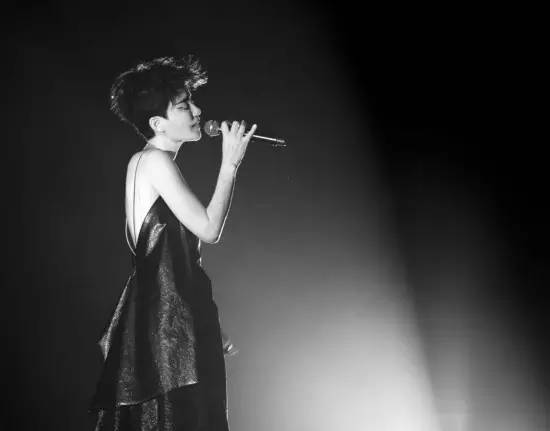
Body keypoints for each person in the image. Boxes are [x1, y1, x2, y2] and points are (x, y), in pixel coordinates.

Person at [89, 56, 255, 431]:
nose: (197, 111)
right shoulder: (155, 162)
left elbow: (161, 261)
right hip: (169, 333)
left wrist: (201, 322)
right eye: (184, 105)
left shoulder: (142, 163)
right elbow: (209, 229)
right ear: (157, 123)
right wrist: (229, 165)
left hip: (167, 322)